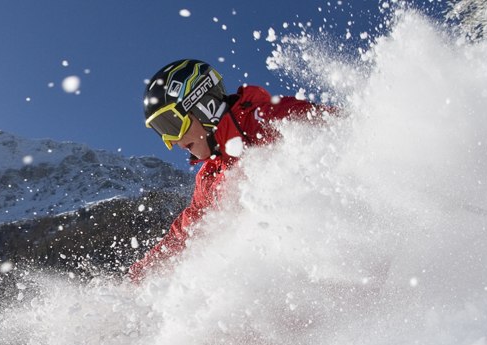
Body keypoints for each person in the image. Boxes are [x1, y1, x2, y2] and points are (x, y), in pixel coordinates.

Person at [129, 59, 334, 283]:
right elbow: (186, 232)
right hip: (273, 279)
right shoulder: (208, 177)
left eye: (172, 125)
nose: (173, 141)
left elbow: (336, 129)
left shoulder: (266, 120)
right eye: (163, 133)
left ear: (201, 103)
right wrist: (145, 271)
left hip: (324, 253)